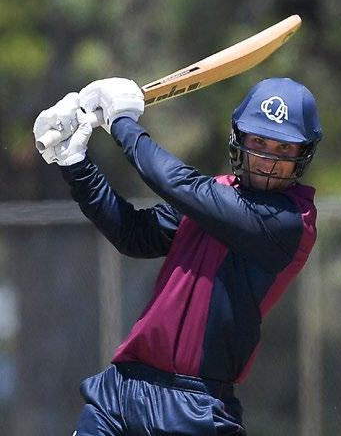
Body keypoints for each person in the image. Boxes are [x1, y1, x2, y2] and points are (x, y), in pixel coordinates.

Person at [33, 76, 322, 436]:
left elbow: (178, 183)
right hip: (120, 392)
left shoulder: (291, 221)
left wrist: (121, 122)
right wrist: (75, 163)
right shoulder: (213, 195)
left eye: (283, 148)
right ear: (240, 139)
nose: (267, 160)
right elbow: (135, 235)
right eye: (259, 141)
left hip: (197, 408)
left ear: (302, 155)